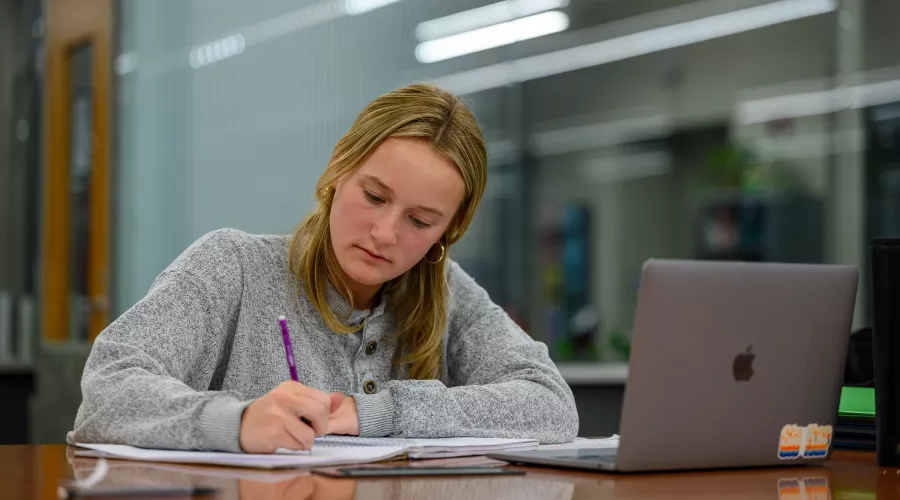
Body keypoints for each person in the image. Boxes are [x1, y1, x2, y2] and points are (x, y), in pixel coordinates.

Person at [68, 83, 579, 453]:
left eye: (421, 221)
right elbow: (109, 390)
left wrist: (378, 413)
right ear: (339, 168)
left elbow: (550, 405)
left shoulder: (447, 292)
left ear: (448, 231)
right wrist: (237, 422)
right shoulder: (234, 266)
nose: (385, 233)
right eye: (374, 196)